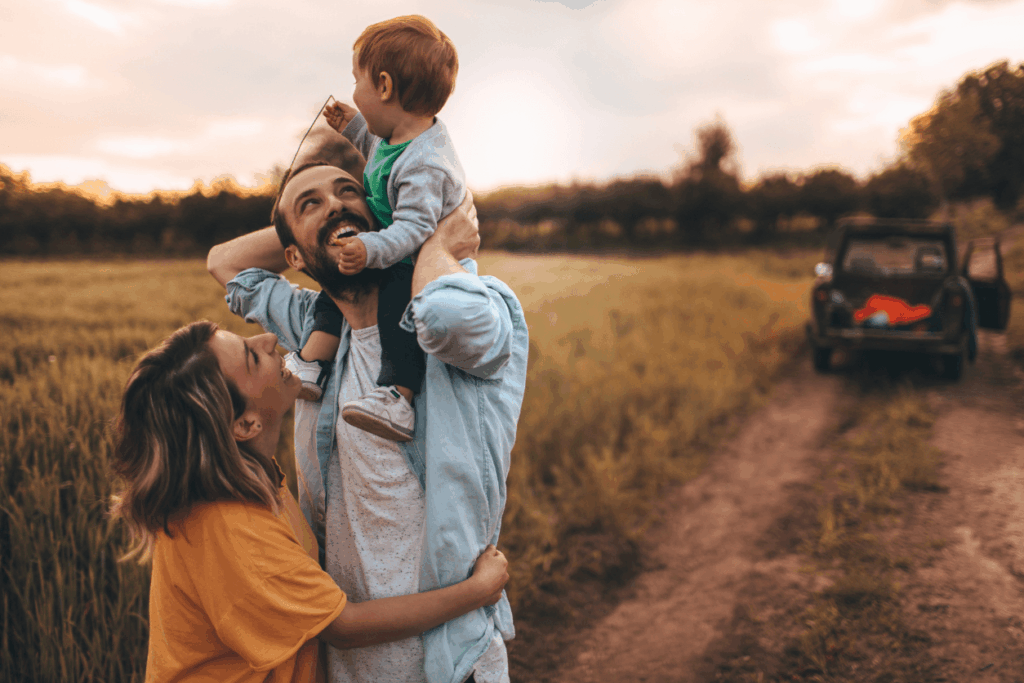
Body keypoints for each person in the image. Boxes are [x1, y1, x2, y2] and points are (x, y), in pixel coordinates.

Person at [206, 161, 529, 683]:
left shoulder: (467, 313)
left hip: (449, 664)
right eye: (311, 202)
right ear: (292, 258)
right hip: (347, 664)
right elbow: (225, 261)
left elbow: (446, 317)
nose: (335, 204)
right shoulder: (314, 333)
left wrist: (430, 238)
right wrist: (320, 228)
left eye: (348, 191)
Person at [107, 320, 510, 683]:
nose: (267, 338)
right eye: (252, 357)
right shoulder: (233, 529)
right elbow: (344, 626)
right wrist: (476, 592)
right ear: (245, 424)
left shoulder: (249, 478)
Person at [284, 15, 467, 446]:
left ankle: (397, 395)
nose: (354, 91)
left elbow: (417, 227)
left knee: (396, 311)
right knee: (336, 286)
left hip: (418, 260)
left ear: (383, 87)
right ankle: (313, 363)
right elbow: (377, 148)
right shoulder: (397, 137)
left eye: (357, 81)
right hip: (391, 245)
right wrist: (351, 125)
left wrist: (370, 248)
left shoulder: (426, 163)